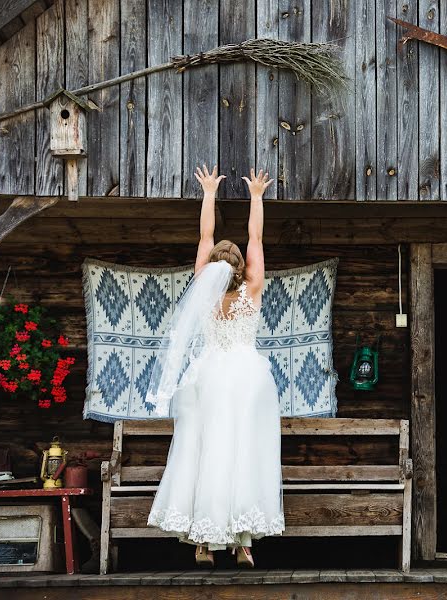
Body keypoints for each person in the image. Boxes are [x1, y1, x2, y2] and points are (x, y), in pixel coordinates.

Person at [146, 165, 284, 568]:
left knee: (204, 451)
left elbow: (204, 236)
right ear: (240, 265)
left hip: (206, 377)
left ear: (211, 267)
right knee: (243, 452)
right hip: (245, 377)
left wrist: (209, 192)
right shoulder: (253, 287)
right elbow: (256, 236)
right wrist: (256, 195)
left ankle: (203, 545)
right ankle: (244, 545)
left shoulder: (202, 285)